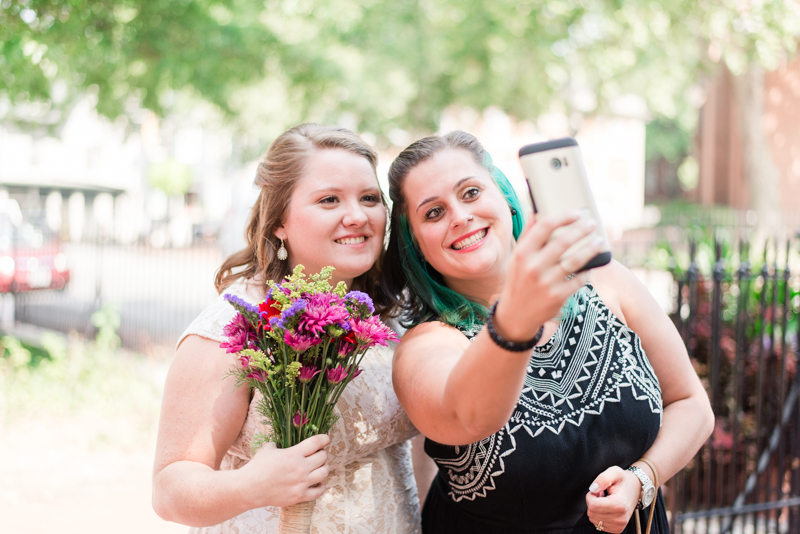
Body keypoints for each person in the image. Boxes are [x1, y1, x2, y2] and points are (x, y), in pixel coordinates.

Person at [378, 131, 715, 534]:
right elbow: (468, 416)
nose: (459, 216)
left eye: (470, 193)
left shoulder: (607, 281)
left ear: (504, 196)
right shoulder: (426, 346)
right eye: (433, 212)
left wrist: (643, 477)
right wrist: (516, 315)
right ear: (414, 244)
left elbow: (692, 403)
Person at [152, 124, 420, 533]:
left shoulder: (385, 316)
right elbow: (170, 490)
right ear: (279, 221)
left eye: (369, 198)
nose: (358, 216)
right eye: (329, 200)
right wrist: (251, 485)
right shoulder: (234, 327)